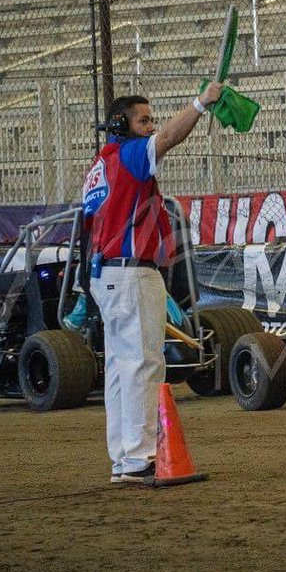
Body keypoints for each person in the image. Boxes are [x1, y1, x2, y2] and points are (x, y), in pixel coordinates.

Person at [82, 83, 223, 484]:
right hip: (130, 273)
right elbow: (169, 138)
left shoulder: (100, 166)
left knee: (119, 368)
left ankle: (124, 458)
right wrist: (200, 102)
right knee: (143, 362)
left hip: (105, 274)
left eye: (151, 119)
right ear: (121, 127)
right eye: (142, 120)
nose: (150, 126)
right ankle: (141, 458)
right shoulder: (129, 156)